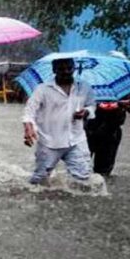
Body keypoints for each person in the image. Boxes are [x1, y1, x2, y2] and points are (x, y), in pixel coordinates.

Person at [22, 57, 96, 185]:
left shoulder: (84, 87)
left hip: (76, 140)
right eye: (61, 69)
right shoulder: (42, 89)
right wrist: (28, 128)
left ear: (74, 68)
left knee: (84, 179)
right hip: (49, 142)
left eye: (69, 68)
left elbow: (92, 105)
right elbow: (29, 111)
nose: (66, 71)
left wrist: (86, 112)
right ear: (54, 70)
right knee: (39, 181)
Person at [85, 97, 130, 176]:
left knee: (103, 170)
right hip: (89, 129)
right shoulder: (84, 88)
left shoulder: (121, 89)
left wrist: (125, 104)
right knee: (81, 167)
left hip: (111, 130)